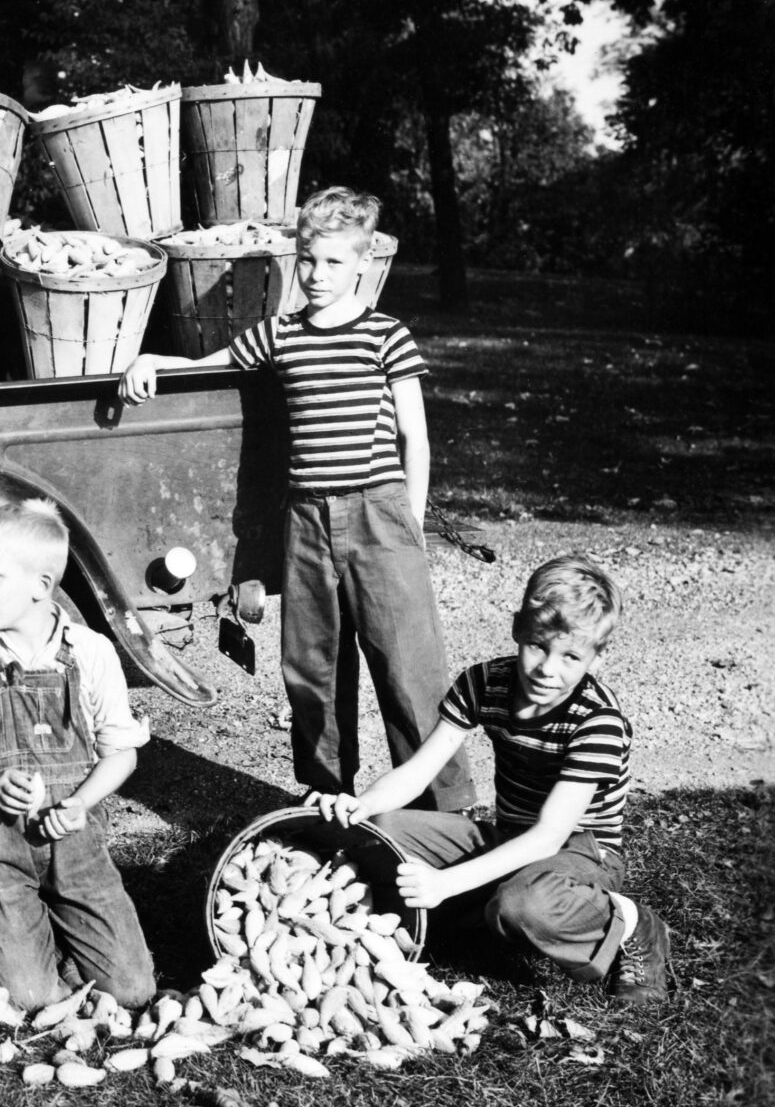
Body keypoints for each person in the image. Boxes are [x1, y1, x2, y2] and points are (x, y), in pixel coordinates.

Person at [121, 186, 471, 812]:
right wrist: (153, 361)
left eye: (334, 262)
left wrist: (409, 524)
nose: (316, 275)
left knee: (406, 662)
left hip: (378, 511)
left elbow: (414, 438)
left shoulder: (385, 336)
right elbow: (211, 364)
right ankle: (326, 796)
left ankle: (442, 808)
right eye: (308, 260)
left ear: (363, 263)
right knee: (311, 666)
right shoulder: (279, 335)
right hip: (306, 518)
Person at [311, 554, 670, 1007]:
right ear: (519, 628)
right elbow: (420, 770)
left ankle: (630, 923)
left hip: (581, 850)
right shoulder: (484, 682)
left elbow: (549, 837)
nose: (547, 669)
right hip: (511, 838)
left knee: (523, 906)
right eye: (538, 645)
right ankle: (480, 907)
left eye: (571, 656)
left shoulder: (598, 722)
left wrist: (446, 884)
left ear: (597, 658)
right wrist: (362, 805)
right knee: (385, 826)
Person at [0, 499, 155, 1012]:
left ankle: (61, 931)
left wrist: (81, 803)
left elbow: (122, 755)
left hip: (76, 845)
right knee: (27, 996)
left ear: (41, 587)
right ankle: (21, 926)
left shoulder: (91, 653)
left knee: (134, 990)